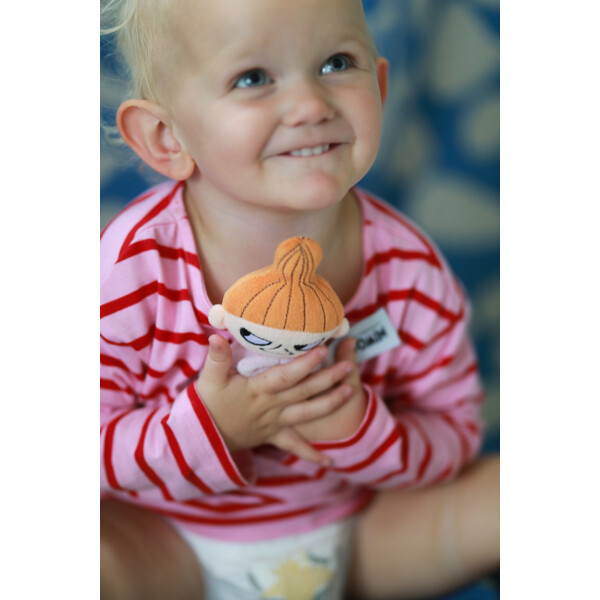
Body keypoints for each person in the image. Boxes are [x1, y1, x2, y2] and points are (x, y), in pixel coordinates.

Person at [100, 0, 500, 598]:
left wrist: (358, 429)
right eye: (253, 78)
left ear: (380, 86)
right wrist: (209, 429)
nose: (312, 105)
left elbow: (456, 433)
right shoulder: (131, 268)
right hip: (164, 543)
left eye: (336, 63)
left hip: (360, 533)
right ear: (166, 137)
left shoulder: (409, 267)